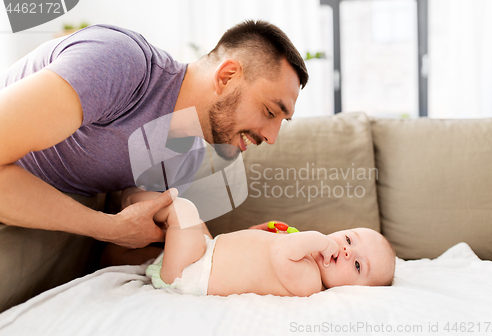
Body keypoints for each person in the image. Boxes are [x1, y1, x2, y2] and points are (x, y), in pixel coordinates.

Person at [0, 20, 308, 311]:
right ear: (226, 76)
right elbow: (119, 234)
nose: (271, 137)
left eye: (282, 121)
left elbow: (127, 253)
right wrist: (109, 228)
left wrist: (241, 250)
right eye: (270, 111)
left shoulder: (186, 151)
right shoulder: (119, 62)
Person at [132, 193, 395, 296]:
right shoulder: (306, 255)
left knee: (183, 208)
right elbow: (254, 256)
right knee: (194, 221)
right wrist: (256, 235)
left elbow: (281, 252)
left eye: (358, 265)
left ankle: (129, 202)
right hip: (206, 253)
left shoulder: (311, 282)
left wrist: (320, 239)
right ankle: (128, 230)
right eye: (349, 239)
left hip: (191, 272)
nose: (347, 251)